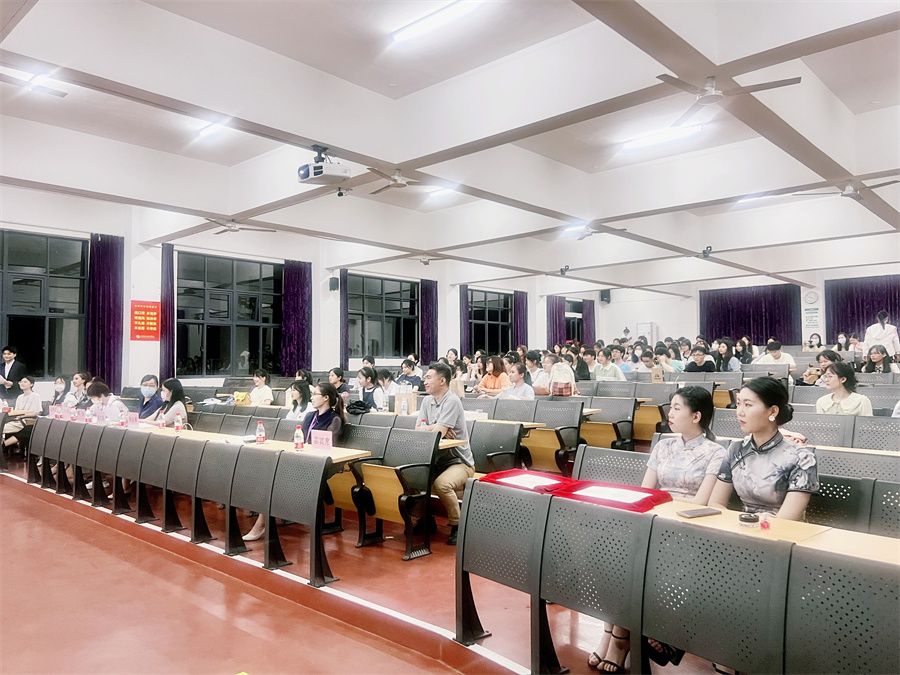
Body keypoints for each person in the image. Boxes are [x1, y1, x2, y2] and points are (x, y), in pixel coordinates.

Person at [589, 386, 725, 672]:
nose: (669, 413)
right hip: (654, 522)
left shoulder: (715, 452)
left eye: (676, 408)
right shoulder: (663, 446)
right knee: (611, 556)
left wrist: (661, 516)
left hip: (686, 528)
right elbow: (645, 491)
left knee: (636, 566)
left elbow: (701, 503)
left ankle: (619, 639)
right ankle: (611, 633)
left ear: (696, 416)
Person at [243, 382, 347, 542]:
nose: (312, 398)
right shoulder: (310, 416)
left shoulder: (335, 419)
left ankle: (261, 524)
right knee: (271, 475)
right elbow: (298, 438)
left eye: (315, 395)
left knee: (278, 478)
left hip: (320, 463)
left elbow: (328, 445)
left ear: (326, 398)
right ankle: (266, 519)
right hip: (302, 459)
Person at [710, 377, 819, 519]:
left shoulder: (801, 458)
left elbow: (787, 520)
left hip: (781, 530)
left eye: (748, 405)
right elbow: (715, 503)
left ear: (772, 411)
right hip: (742, 525)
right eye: (738, 404)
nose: (740, 412)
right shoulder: (736, 450)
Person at [416, 362, 473, 545]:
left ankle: (457, 524)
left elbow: (438, 432)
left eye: (428, 377)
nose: (425, 381)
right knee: (411, 477)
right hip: (436, 460)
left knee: (442, 484)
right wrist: (436, 427)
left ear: (442, 381)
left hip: (460, 461)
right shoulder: (427, 401)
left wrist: (436, 428)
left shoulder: (452, 401)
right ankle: (426, 519)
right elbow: (418, 429)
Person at [2, 375, 42, 449]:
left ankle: (3, 446)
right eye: (21, 382)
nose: (22, 383)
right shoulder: (20, 397)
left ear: (31, 384)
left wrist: (22, 416)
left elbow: (37, 412)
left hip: (25, 422)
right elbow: (16, 411)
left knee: (2, 428)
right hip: (16, 421)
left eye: (25, 382)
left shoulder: (35, 396)